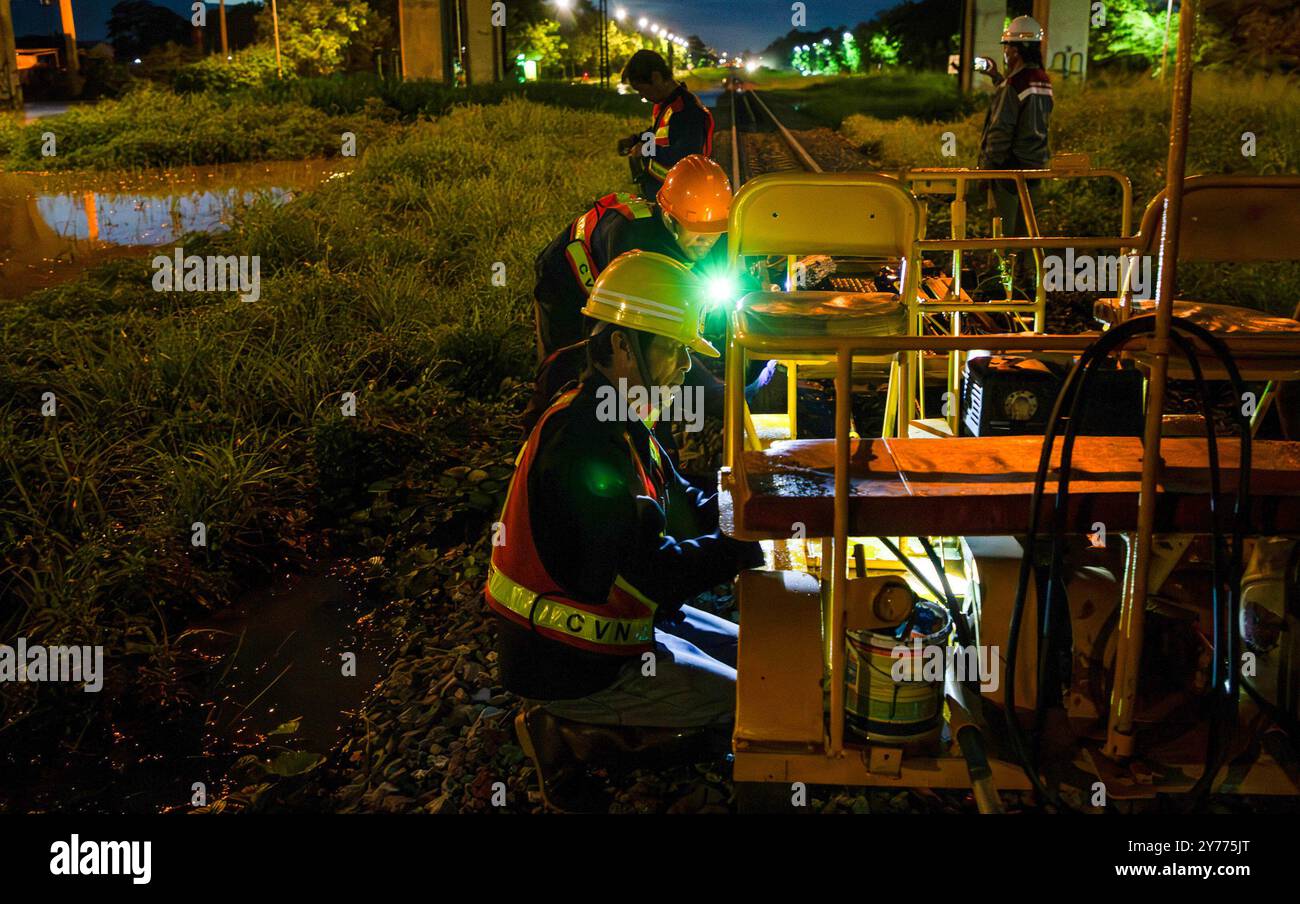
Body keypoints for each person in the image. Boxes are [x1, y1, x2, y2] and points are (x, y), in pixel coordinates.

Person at [487, 251, 764, 808]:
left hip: (617, 631)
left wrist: (752, 507)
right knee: (757, 701)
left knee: (766, 658)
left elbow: (681, 500)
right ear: (618, 345)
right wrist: (744, 545)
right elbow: (654, 576)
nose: (686, 368)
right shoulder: (583, 447)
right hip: (571, 664)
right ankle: (564, 734)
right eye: (674, 349)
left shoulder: (617, 416)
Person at [532, 154, 731, 363]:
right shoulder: (631, 240)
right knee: (568, 363)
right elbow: (638, 333)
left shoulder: (710, 237)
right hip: (563, 280)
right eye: (696, 230)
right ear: (669, 218)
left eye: (715, 231)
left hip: (602, 286)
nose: (707, 241)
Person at [976, 15, 1054, 237]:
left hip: (1009, 170)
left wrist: (986, 172)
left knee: (1004, 232)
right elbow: (1021, 103)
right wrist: (996, 77)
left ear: (1016, 50)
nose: (1006, 52)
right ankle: (1028, 271)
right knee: (1028, 232)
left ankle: (1003, 271)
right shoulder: (1042, 80)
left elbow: (1001, 131)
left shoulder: (1013, 85)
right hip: (1036, 167)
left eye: (1007, 46)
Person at [618, 49, 715, 199]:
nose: (641, 96)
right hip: (663, 193)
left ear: (655, 77)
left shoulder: (686, 109)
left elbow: (685, 156)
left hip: (679, 199)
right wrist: (636, 139)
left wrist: (646, 149)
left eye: (641, 90)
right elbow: (660, 133)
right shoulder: (668, 104)